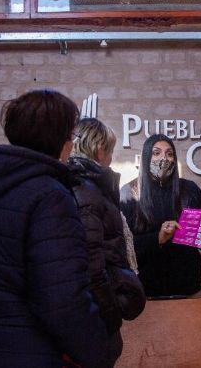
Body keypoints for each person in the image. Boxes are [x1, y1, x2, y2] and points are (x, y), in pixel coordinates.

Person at [0, 90, 107, 368]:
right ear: (59, 139)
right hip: (27, 353)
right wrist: (99, 354)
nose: (71, 143)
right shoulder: (50, 196)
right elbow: (62, 300)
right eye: (70, 135)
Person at [67, 118, 146, 367]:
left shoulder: (81, 186)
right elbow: (92, 264)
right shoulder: (87, 191)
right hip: (93, 318)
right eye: (110, 151)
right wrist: (111, 315)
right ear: (99, 150)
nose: (111, 159)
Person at [120, 133, 201, 297]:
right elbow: (123, 246)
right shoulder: (129, 193)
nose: (164, 158)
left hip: (187, 286)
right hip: (145, 289)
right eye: (156, 153)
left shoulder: (190, 190)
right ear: (146, 157)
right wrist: (158, 238)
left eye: (169, 154)